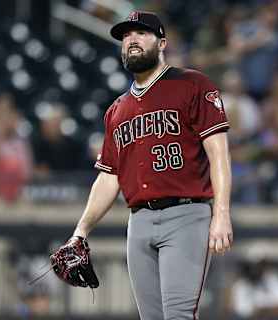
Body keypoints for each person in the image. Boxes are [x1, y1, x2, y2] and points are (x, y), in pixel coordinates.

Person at [64, 11, 233, 320]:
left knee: (178, 315)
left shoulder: (192, 84)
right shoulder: (117, 110)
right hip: (139, 221)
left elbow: (218, 153)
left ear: (162, 42)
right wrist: (81, 230)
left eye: (141, 33)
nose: (132, 40)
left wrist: (221, 214)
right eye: (126, 36)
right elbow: (108, 178)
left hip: (186, 213)